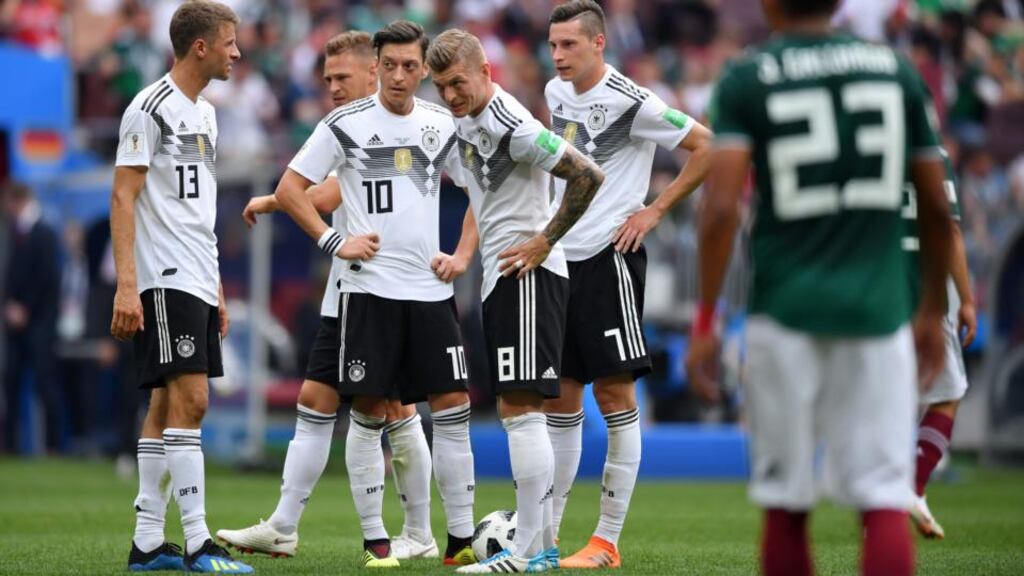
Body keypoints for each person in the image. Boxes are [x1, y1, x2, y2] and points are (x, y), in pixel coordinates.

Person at [685, 1, 954, 575]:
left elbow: (720, 210)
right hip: (880, 311)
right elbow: (935, 203)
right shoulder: (895, 71)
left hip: (784, 309)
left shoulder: (747, 75)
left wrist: (707, 319)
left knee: (786, 502)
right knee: (883, 498)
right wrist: (932, 308)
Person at [216, 30, 446, 562]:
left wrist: (308, 221)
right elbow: (335, 189)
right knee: (318, 402)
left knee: (391, 407)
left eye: (342, 77)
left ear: (374, 72)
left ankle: (411, 532)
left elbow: (332, 193)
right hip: (350, 293)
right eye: (327, 80)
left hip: (386, 289)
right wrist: (277, 201)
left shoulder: (391, 124)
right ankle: (284, 524)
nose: (333, 88)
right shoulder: (350, 129)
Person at [271, 20, 479, 569]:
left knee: (453, 407)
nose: (400, 75)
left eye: (412, 66)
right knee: (367, 410)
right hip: (369, 294)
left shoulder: (441, 124)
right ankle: (376, 541)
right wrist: (334, 239)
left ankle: (458, 538)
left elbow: (481, 190)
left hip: (430, 294)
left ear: (423, 70)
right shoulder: (343, 124)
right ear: (377, 66)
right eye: (391, 65)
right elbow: (290, 190)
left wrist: (460, 257)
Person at [427, 28, 605, 574]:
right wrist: (463, 256)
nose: (450, 95)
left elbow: (586, 174)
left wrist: (546, 239)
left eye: (458, 83)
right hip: (501, 278)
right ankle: (539, 543)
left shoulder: (513, 124)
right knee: (521, 409)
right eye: (442, 87)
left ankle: (529, 551)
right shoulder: (467, 124)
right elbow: (483, 197)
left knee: (521, 408)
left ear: (486, 72)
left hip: (529, 275)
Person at [542, 1, 713, 567]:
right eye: (553, 44)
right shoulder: (553, 92)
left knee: (614, 396)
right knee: (560, 403)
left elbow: (705, 145)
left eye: (570, 44)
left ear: (599, 43)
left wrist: (654, 210)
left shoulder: (631, 101)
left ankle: (607, 540)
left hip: (609, 258)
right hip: (560, 259)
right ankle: (547, 537)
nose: (559, 55)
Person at [109, 1, 251, 573]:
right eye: (229, 42)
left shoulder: (207, 114)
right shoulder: (148, 108)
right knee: (193, 402)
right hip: (162, 275)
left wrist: (215, 282)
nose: (237, 52)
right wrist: (127, 284)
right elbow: (124, 196)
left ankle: (146, 543)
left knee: (167, 402)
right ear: (201, 47)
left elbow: (197, 207)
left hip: (195, 272)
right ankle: (198, 542)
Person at [906, 151, 977, 540]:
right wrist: (966, 299)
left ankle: (879, 504)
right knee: (947, 394)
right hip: (928, 282)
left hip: (876, 280)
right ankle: (913, 486)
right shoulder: (930, 152)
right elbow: (948, 228)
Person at [3, 180, 61, 454]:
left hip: (40, 325)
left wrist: (25, 308)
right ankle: (10, 447)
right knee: (11, 383)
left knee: (45, 384)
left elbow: (49, 280)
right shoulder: (17, 233)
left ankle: (55, 446)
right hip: (16, 326)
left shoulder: (44, 233)